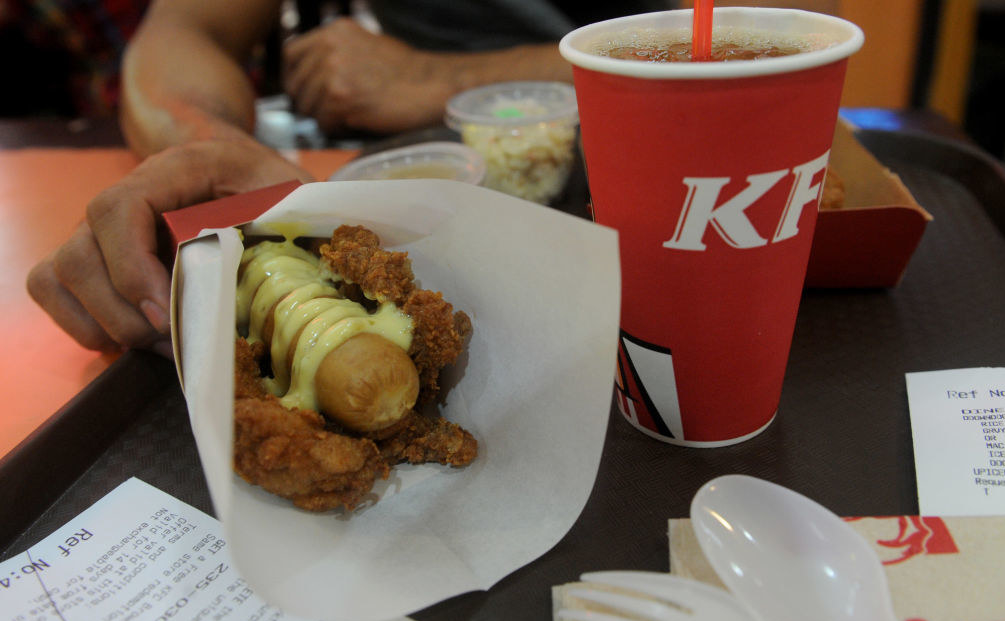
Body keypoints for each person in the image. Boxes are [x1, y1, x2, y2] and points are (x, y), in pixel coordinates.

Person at [27, 0, 834, 357]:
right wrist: (209, 146)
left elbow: (792, 31)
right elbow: (182, 31)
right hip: (432, 230)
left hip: (723, 224)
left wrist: (431, 76)